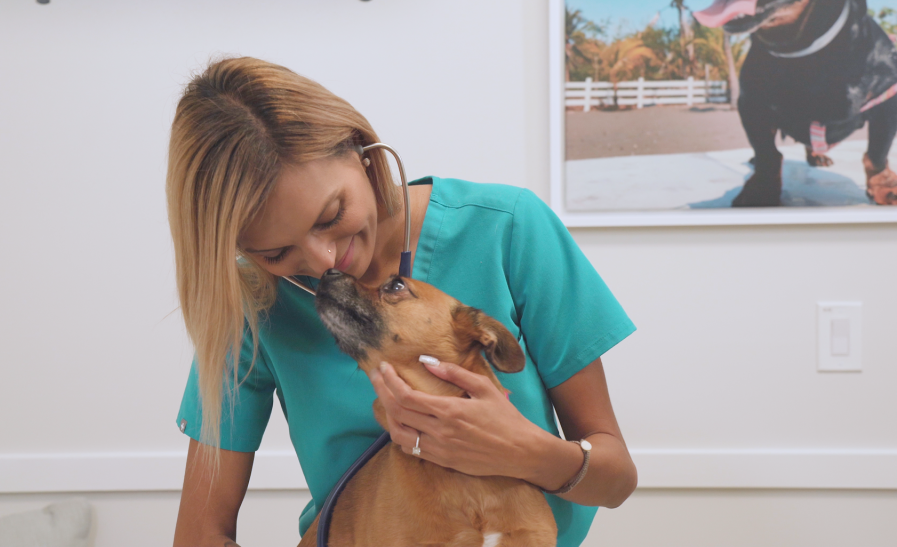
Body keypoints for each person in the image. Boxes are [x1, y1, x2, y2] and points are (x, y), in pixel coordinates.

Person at [168, 57, 637, 547]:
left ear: (361, 153)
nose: (325, 260)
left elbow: (617, 479)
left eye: (331, 215)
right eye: (276, 252)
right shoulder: (253, 302)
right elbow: (200, 534)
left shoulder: (508, 229)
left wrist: (520, 450)